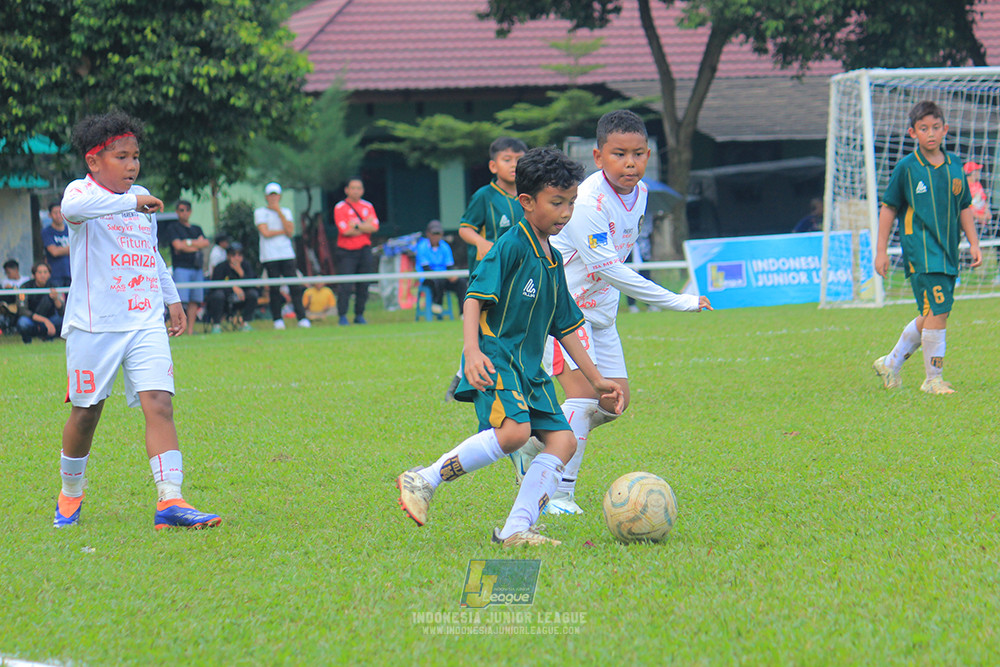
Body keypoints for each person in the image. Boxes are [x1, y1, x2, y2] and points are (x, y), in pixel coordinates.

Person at [396, 147, 624, 548]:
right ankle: (424, 478)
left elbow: (567, 325)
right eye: (557, 203)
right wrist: (472, 351)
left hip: (530, 371)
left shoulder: (552, 259)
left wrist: (597, 380)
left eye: (571, 202)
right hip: (497, 358)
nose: (566, 212)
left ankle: (518, 528)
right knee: (515, 433)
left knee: (564, 442)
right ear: (526, 201)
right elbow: (473, 298)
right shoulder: (511, 245)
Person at [512, 110, 712, 515]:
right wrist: (679, 299)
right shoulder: (587, 201)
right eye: (619, 154)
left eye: (638, 154)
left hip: (601, 314)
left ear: (649, 155)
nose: (630, 163)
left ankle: (529, 445)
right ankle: (560, 492)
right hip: (560, 314)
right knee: (584, 398)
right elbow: (609, 268)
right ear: (599, 156)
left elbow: (612, 264)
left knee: (613, 404)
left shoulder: (638, 195)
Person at [54, 110, 221, 530]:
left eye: (135, 157)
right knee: (86, 412)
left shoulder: (141, 197)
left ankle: (170, 500)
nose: (132, 165)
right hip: (95, 326)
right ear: (94, 162)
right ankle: (71, 492)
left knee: (160, 404)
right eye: (122, 157)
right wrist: (132, 201)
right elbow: (73, 208)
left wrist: (173, 300)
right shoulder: (80, 193)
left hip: (144, 320)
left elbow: (150, 255)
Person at [872, 101, 982, 395]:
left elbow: (965, 207)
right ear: (912, 133)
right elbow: (888, 208)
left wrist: (973, 242)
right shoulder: (907, 168)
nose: (930, 133)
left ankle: (891, 362)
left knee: (934, 312)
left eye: (935, 127)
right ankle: (932, 378)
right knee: (938, 311)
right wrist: (881, 250)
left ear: (945, 129)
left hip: (947, 250)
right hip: (919, 248)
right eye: (923, 128)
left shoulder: (955, 165)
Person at [444, 137, 528, 400]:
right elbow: (465, 228)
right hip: (488, 275)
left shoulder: (529, 196)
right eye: (507, 160)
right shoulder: (484, 196)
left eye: (519, 160)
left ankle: (512, 377)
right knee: (482, 328)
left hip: (519, 275)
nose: (514, 165)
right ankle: (462, 379)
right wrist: (481, 242)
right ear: (493, 166)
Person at [255, 182, 309, 330]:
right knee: (274, 289)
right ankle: (277, 319)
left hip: (287, 254)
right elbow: (265, 232)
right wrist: (282, 231)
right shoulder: (260, 212)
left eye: (276, 195)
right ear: (266, 197)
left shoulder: (285, 211)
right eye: (271, 195)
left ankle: (302, 317)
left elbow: (290, 231)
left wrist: (278, 212)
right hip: (270, 255)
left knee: (294, 287)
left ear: (279, 196)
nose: (273, 198)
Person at [333, 178, 380, 325]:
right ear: (347, 190)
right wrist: (365, 225)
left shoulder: (368, 206)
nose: (356, 191)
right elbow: (345, 231)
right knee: (345, 285)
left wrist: (357, 226)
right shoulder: (340, 207)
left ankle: (359, 314)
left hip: (364, 250)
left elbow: (374, 228)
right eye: (353, 188)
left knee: (364, 284)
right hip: (347, 251)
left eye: (359, 188)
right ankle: (342, 315)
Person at [166, 199, 210, 336]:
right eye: (181, 210)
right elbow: (178, 246)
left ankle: (190, 330)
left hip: (197, 268)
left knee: (194, 301)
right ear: (177, 212)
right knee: (180, 300)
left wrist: (187, 243)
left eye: (186, 210)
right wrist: (195, 245)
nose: (183, 213)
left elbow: (205, 243)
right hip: (181, 268)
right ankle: (175, 328)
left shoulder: (196, 228)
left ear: (190, 212)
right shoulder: (173, 228)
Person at [415, 219, 466, 316]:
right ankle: (437, 303)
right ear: (428, 234)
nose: (436, 236)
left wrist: (452, 275)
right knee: (437, 281)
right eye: (433, 233)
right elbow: (426, 269)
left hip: (444, 277)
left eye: (438, 233)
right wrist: (445, 275)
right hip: (429, 279)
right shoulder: (422, 247)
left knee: (461, 283)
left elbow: (449, 266)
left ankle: (463, 313)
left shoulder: (445, 246)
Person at [206, 243, 258, 333]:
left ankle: (245, 323)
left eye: (239, 255)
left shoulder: (246, 265)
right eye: (233, 255)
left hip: (241, 299)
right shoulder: (220, 267)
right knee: (217, 296)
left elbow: (252, 284)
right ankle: (216, 325)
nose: (236, 258)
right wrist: (232, 288)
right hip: (224, 300)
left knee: (253, 294)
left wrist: (240, 272)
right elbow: (215, 286)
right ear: (228, 256)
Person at [16, 262, 64, 343]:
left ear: (49, 274)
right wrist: (45, 321)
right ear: (34, 275)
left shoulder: (55, 286)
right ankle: (27, 342)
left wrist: (56, 299)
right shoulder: (24, 287)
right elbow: (22, 310)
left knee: (63, 320)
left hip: (50, 318)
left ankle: (49, 338)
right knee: (22, 322)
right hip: (32, 319)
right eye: (40, 272)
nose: (43, 275)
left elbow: (62, 310)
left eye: (45, 272)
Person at [41, 202, 72, 287]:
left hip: (72, 273)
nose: (58, 215)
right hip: (56, 275)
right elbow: (54, 252)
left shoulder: (71, 229)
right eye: (55, 213)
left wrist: (62, 250)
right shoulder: (47, 232)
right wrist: (72, 248)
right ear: (50, 215)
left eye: (60, 212)